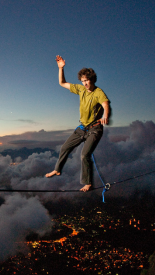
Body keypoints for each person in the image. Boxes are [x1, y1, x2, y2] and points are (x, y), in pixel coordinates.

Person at [45, 55, 110, 192]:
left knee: (84, 155)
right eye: (82, 81)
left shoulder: (98, 92)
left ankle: (88, 183)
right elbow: (62, 83)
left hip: (94, 129)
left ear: (92, 80)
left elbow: (105, 104)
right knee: (64, 148)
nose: (85, 84)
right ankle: (57, 170)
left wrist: (105, 115)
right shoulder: (81, 89)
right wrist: (61, 68)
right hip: (82, 128)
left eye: (86, 81)